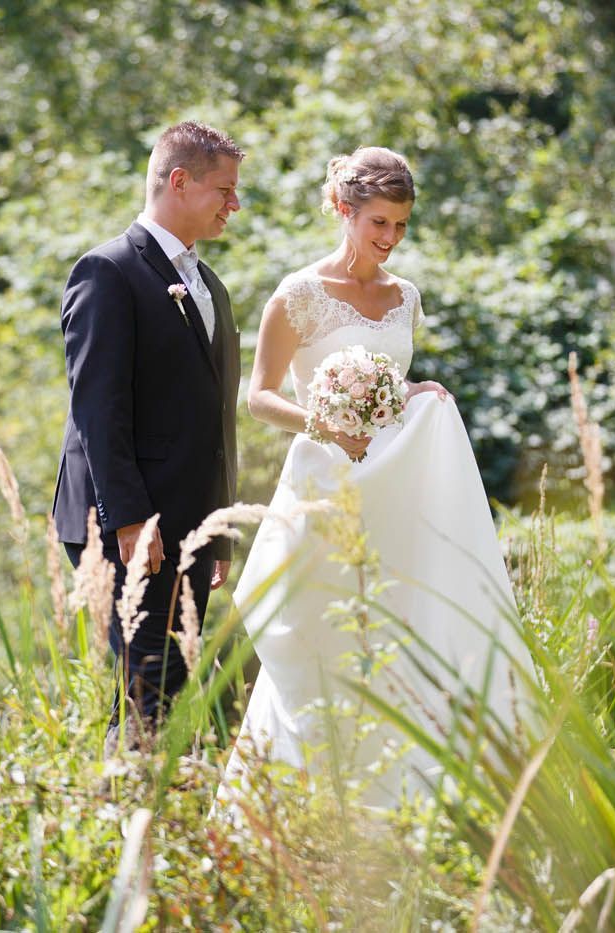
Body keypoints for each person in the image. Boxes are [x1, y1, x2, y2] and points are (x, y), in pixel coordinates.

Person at [220, 147, 529, 809]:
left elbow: (392, 383)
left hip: (395, 485)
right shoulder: (296, 296)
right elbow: (260, 396)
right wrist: (324, 424)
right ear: (343, 210)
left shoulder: (404, 297)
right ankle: (304, 799)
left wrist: (420, 390)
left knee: (396, 619)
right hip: (326, 482)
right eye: (378, 223)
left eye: (400, 226)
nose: (389, 239)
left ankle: (404, 795)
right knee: (321, 630)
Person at [52, 121, 243, 746]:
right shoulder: (106, 271)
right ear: (179, 181)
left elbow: (216, 421)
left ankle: (136, 817)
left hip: (189, 525)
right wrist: (129, 520)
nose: (234, 205)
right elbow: (98, 409)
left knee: (167, 689)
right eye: (225, 190)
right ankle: (136, 823)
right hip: (127, 522)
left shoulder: (208, 284)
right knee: (151, 687)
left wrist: (216, 534)